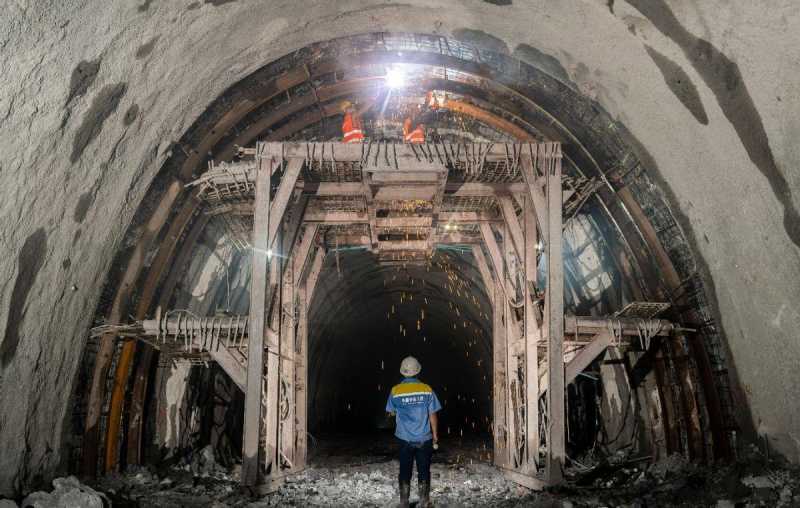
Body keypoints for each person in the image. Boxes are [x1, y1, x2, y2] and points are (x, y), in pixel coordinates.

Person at [385, 356, 441, 508]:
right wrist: (435, 435)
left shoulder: (395, 391)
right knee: (424, 470)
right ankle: (424, 501)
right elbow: (432, 414)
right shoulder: (427, 389)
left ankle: (404, 502)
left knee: (405, 469)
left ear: (402, 372)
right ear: (418, 372)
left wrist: (395, 413)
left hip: (404, 439)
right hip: (424, 438)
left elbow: (390, 412)